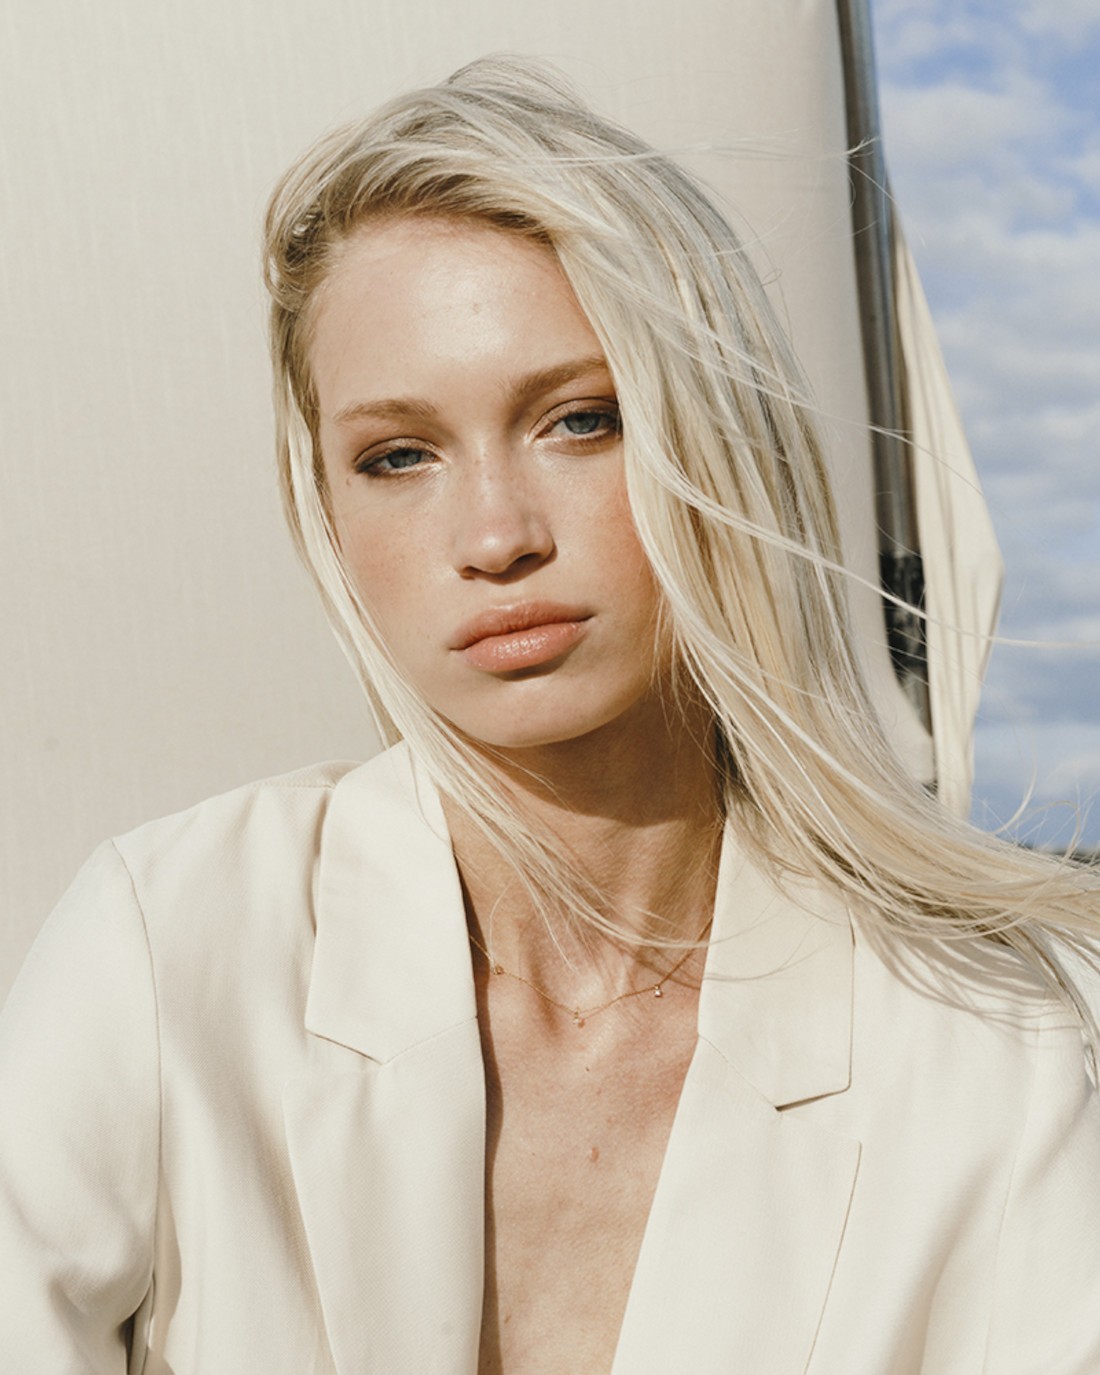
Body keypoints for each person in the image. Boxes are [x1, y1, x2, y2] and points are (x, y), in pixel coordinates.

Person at [1, 55, 1099, 1375]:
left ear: (716, 440)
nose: (495, 536)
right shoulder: (169, 948)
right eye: (398, 456)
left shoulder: (1008, 1046)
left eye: (579, 421)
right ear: (328, 507)